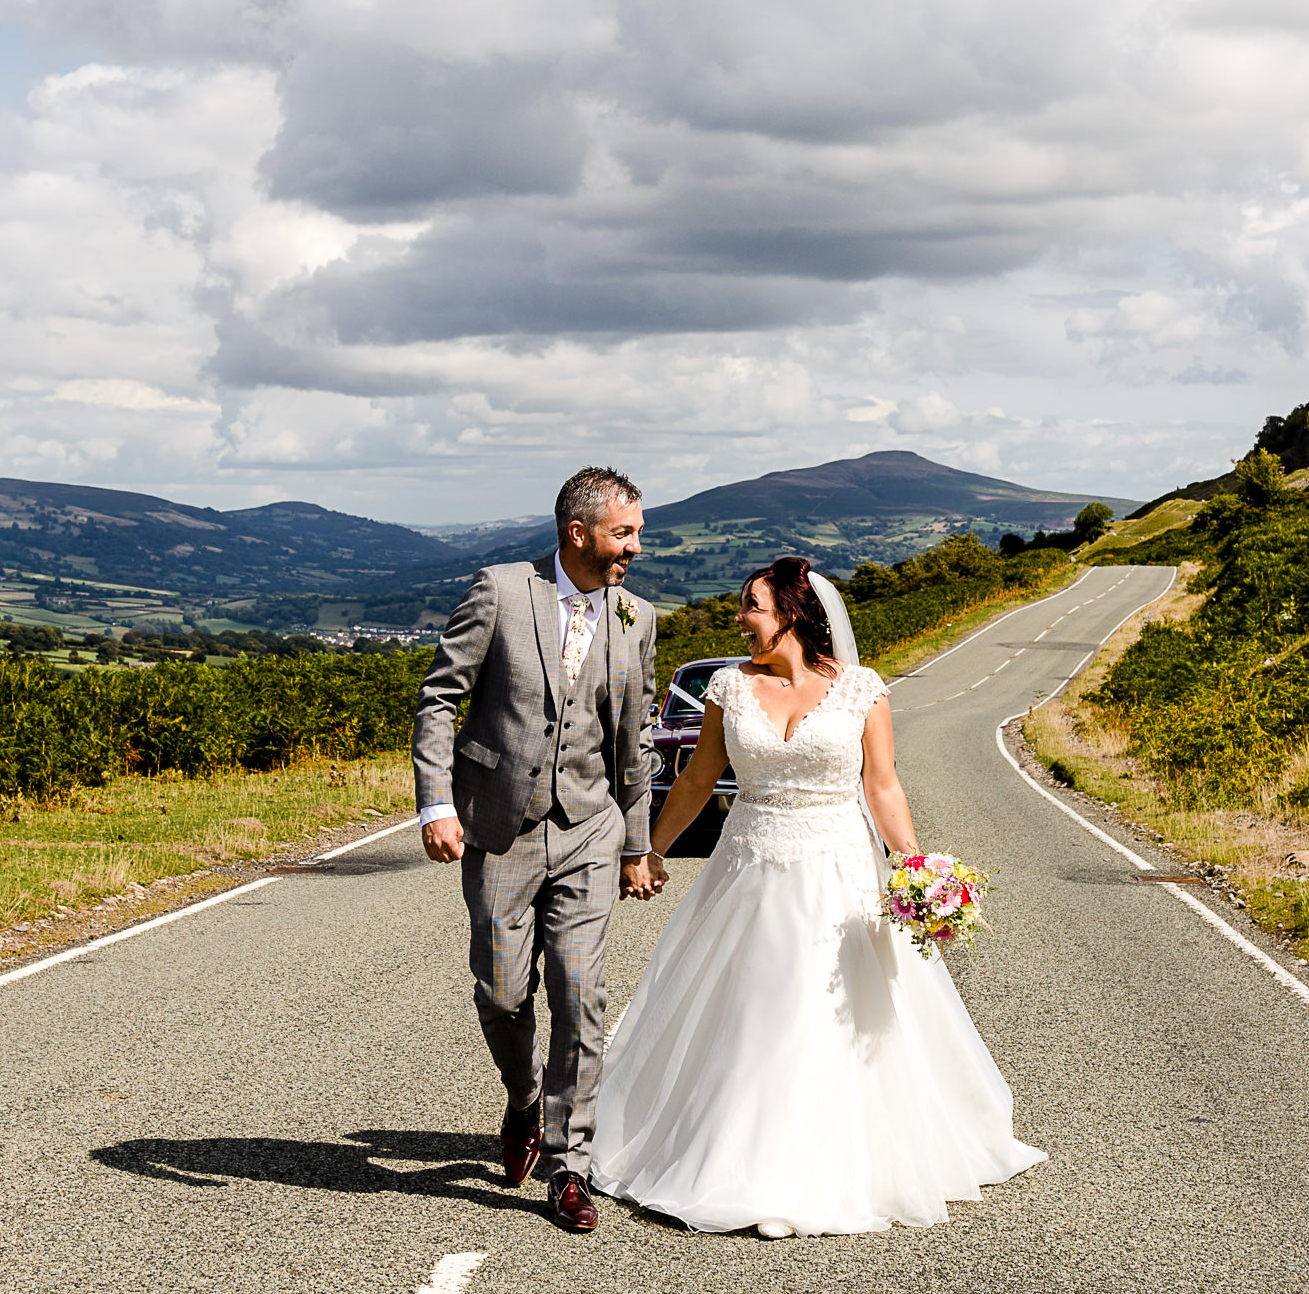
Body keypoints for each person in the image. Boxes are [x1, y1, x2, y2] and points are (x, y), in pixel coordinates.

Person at [590, 556, 1044, 1237]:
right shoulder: (728, 687)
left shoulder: (862, 689)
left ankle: (829, 1163)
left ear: (794, 616)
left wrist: (914, 865)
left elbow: (882, 785)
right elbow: (695, 782)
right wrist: (650, 849)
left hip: (840, 871)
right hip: (749, 869)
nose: (739, 617)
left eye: (752, 606)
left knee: (834, 1017)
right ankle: (738, 1157)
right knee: (755, 1010)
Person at [413, 467, 662, 1234]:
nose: (635, 548)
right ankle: (523, 1101)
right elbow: (439, 697)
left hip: (590, 829)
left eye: (638, 534)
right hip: (499, 826)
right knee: (500, 992)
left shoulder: (636, 617)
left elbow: (636, 740)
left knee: (580, 992)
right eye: (624, 534)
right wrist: (435, 801)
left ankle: (568, 1165)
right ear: (577, 533)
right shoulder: (500, 590)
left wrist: (636, 845)